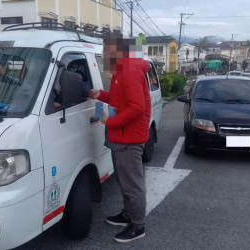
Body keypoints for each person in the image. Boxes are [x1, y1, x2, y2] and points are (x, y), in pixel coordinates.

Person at [89, 33, 151, 243]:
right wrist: (101, 94)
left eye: (107, 50)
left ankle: (138, 225)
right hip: (121, 137)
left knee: (133, 184)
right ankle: (127, 214)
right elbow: (119, 99)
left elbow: (137, 107)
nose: (105, 54)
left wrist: (111, 122)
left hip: (129, 138)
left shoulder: (130, 71)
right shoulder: (120, 71)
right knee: (125, 181)